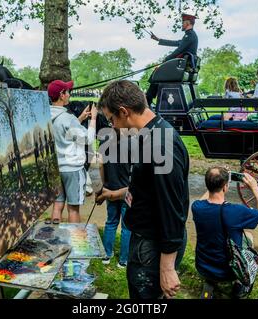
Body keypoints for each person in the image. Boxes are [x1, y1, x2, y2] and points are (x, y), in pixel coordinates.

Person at [95, 80, 189, 299]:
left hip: (153, 244)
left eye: (111, 120)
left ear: (124, 112)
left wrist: (167, 267)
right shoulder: (148, 135)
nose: (113, 127)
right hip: (145, 239)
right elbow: (147, 189)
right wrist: (115, 194)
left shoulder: (160, 144)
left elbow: (171, 207)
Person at [192, 167, 258, 298]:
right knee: (248, 237)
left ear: (208, 185)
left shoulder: (197, 207)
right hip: (227, 272)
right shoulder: (236, 211)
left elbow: (207, 195)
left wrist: (214, 181)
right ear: (225, 187)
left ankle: (210, 281)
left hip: (202, 266)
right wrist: (255, 188)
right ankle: (238, 282)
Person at [49, 79, 98, 223]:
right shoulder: (68, 119)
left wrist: (80, 118)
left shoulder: (47, 116)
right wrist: (93, 119)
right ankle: (73, 244)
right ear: (62, 94)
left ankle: (55, 240)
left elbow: (64, 132)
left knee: (57, 206)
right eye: (68, 92)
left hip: (56, 168)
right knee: (73, 209)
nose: (69, 94)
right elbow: (87, 140)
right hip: (72, 169)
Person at [145, 13, 198, 106]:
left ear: (188, 23)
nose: (182, 25)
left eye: (183, 22)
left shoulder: (189, 36)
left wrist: (165, 61)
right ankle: (149, 99)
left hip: (180, 69)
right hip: (182, 68)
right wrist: (159, 40)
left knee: (157, 73)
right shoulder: (190, 35)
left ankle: (147, 100)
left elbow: (178, 51)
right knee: (157, 73)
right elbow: (177, 43)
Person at [98, 128, 132, 268]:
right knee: (127, 226)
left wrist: (101, 185)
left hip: (109, 188)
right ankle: (123, 261)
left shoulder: (104, 140)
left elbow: (100, 165)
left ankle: (107, 254)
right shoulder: (132, 143)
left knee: (111, 222)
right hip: (126, 190)